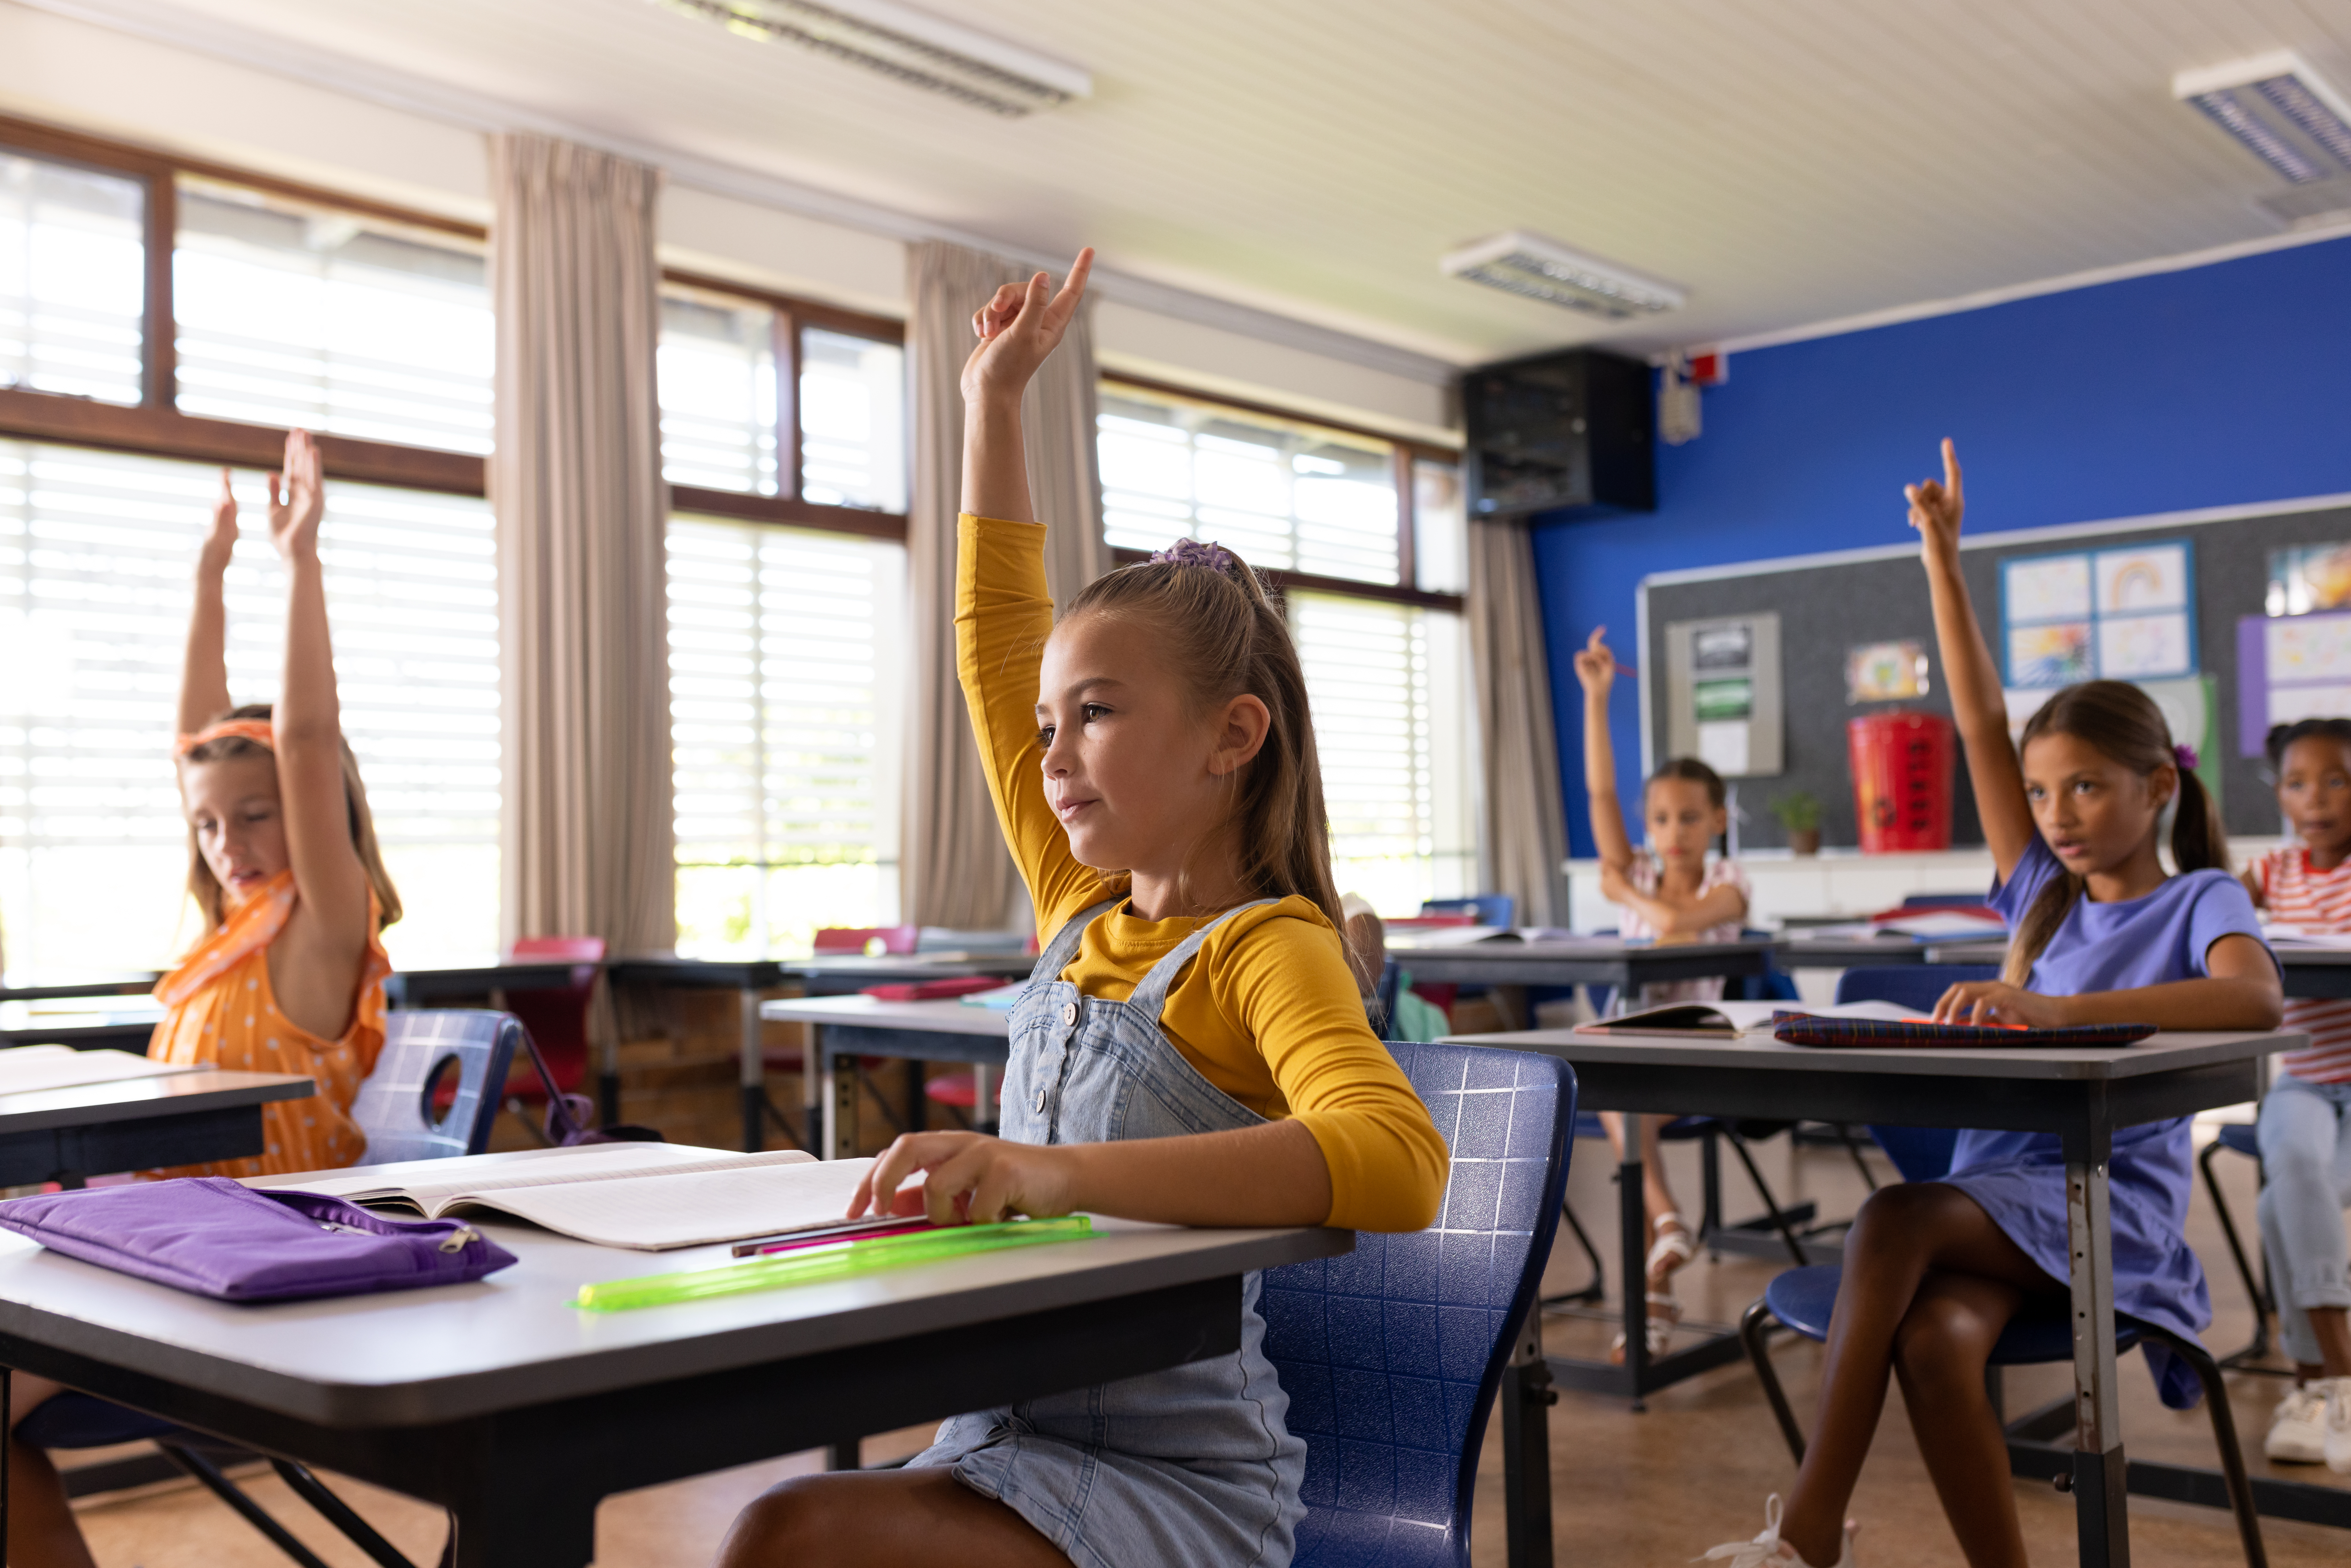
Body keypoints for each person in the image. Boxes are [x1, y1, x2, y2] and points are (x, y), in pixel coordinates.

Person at [715, 251, 1448, 1568]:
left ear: (1234, 735)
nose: (1051, 752)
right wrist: (991, 406)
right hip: (1001, 1445)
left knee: (789, 1533)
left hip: (1184, 1490)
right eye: (1053, 723)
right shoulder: (1077, 904)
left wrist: (1045, 1174)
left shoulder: (1266, 947)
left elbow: (1397, 1159)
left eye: (1098, 714)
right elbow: (999, 647)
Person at [1698, 440, 2283, 1568]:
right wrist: (1940, 556)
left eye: (2085, 785)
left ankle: (1809, 1528)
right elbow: (1976, 722)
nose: (2056, 811)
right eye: (2038, 790)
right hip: (1994, 1200)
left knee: (1885, 1217)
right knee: (1932, 1337)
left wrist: (2049, 1012)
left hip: (2100, 1210)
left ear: (2156, 788)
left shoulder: (2198, 894)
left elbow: (2251, 998)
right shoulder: (2039, 896)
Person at [6, 430, 401, 1568]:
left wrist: (299, 562)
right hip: (155, 1247)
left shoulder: (327, 928)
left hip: (254, 1262)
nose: (231, 842)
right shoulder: (225, 936)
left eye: (260, 815)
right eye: (210, 824)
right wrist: (204, 576)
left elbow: (310, 739)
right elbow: (191, 748)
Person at [1574, 624, 1750, 1361]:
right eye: (1659, 819)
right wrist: (1595, 698)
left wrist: (1622, 891)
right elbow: (1600, 789)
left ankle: (1663, 1250)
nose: (1671, 832)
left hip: (1703, 1050)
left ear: (1717, 821)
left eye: (1687, 817)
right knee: (1623, 1103)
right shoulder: (1636, 867)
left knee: (1621, 1101)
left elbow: (1679, 924)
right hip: (1633, 1048)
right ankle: (1661, 1268)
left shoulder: (1728, 885)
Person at [2242, 716, 2351, 1469]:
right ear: (2279, 793)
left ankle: (2317, 1380)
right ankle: (2342, 1380)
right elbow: (2197, 905)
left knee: (2279, 1200)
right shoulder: (2273, 873)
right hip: (2307, 1079)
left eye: (2338, 778)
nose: (2317, 798)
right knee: (2297, 1169)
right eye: (2298, 781)